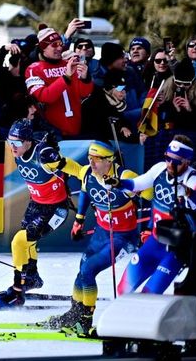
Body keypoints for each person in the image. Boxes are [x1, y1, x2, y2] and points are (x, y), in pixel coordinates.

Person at [50, 141, 146, 334]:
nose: (91, 163)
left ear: (109, 161)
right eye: (89, 158)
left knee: (88, 270)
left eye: (96, 159)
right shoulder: (88, 173)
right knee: (82, 270)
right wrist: (79, 219)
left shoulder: (124, 176)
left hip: (122, 238)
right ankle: (75, 313)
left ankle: (85, 319)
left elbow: (149, 190)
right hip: (102, 232)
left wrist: (130, 187)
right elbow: (84, 188)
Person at [0, 119, 83, 304]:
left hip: (56, 209)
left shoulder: (44, 155)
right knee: (28, 243)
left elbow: (76, 169)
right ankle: (31, 279)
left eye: (16, 143)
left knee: (19, 241)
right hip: (36, 204)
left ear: (27, 141)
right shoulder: (20, 149)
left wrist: (93, 180)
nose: (12, 147)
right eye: (10, 142)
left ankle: (18, 289)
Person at [120, 136, 196, 295]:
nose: (170, 164)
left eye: (176, 161)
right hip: (154, 242)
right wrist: (118, 183)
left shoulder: (192, 179)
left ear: (187, 162)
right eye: (168, 158)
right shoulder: (160, 169)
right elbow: (137, 183)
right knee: (123, 289)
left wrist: (189, 193)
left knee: (149, 295)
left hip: (175, 251)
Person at [25, 29, 93, 137]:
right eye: (54, 45)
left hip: (76, 128)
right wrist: (66, 77)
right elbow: (44, 96)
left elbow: (84, 93)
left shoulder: (68, 63)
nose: (60, 48)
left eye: (60, 44)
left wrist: (85, 78)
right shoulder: (33, 69)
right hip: (52, 132)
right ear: (43, 47)